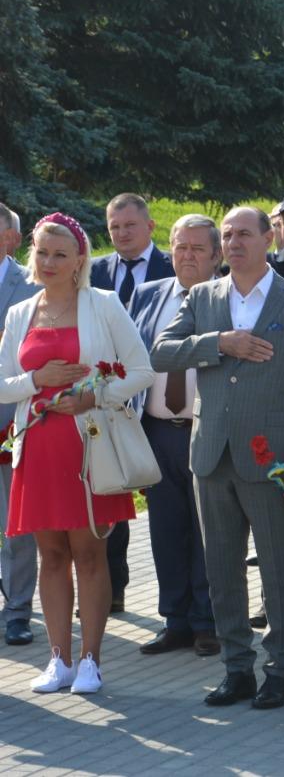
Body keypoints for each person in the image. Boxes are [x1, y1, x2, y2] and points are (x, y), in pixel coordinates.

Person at [152, 206, 284, 711]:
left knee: (278, 571)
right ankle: (237, 669)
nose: (233, 243)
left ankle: (279, 669)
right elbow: (161, 352)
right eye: (226, 235)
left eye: (243, 234)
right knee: (222, 568)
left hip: (270, 459)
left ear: (268, 239)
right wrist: (218, 343)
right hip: (211, 455)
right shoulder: (205, 296)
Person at [0, 213, 155, 694]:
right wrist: (35, 381)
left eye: (60, 254)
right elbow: (5, 384)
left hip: (88, 445)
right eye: (42, 252)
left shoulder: (103, 305)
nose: (48, 262)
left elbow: (141, 370)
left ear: (79, 260)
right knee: (49, 554)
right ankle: (59, 660)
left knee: (89, 554)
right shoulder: (21, 313)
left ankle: (91, 660)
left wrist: (95, 396)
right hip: (39, 446)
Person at [129, 215, 223, 660]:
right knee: (165, 528)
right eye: (180, 247)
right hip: (156, 431)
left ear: (216, 256)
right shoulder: (148, 295)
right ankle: (175, 621)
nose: (187, 256)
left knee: (210, 532)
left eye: (197, 249)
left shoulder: (226, 300)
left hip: (207, 431)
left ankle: (209, 622)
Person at [89, 192, 174, 613]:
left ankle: (178, 602)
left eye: (129, 225)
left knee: (166, 503)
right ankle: (112, 587)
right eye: (114, 227)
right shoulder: (94, 271)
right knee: (109, 489)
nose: (121, 234)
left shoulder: (174, 267)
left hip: (160, 397)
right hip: (106, 399)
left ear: (150, 227)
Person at [0, 204, 39, 648]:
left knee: (17, 527)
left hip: (14, 423)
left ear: (10, 238)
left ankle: (18, 613)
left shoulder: (31, 285)